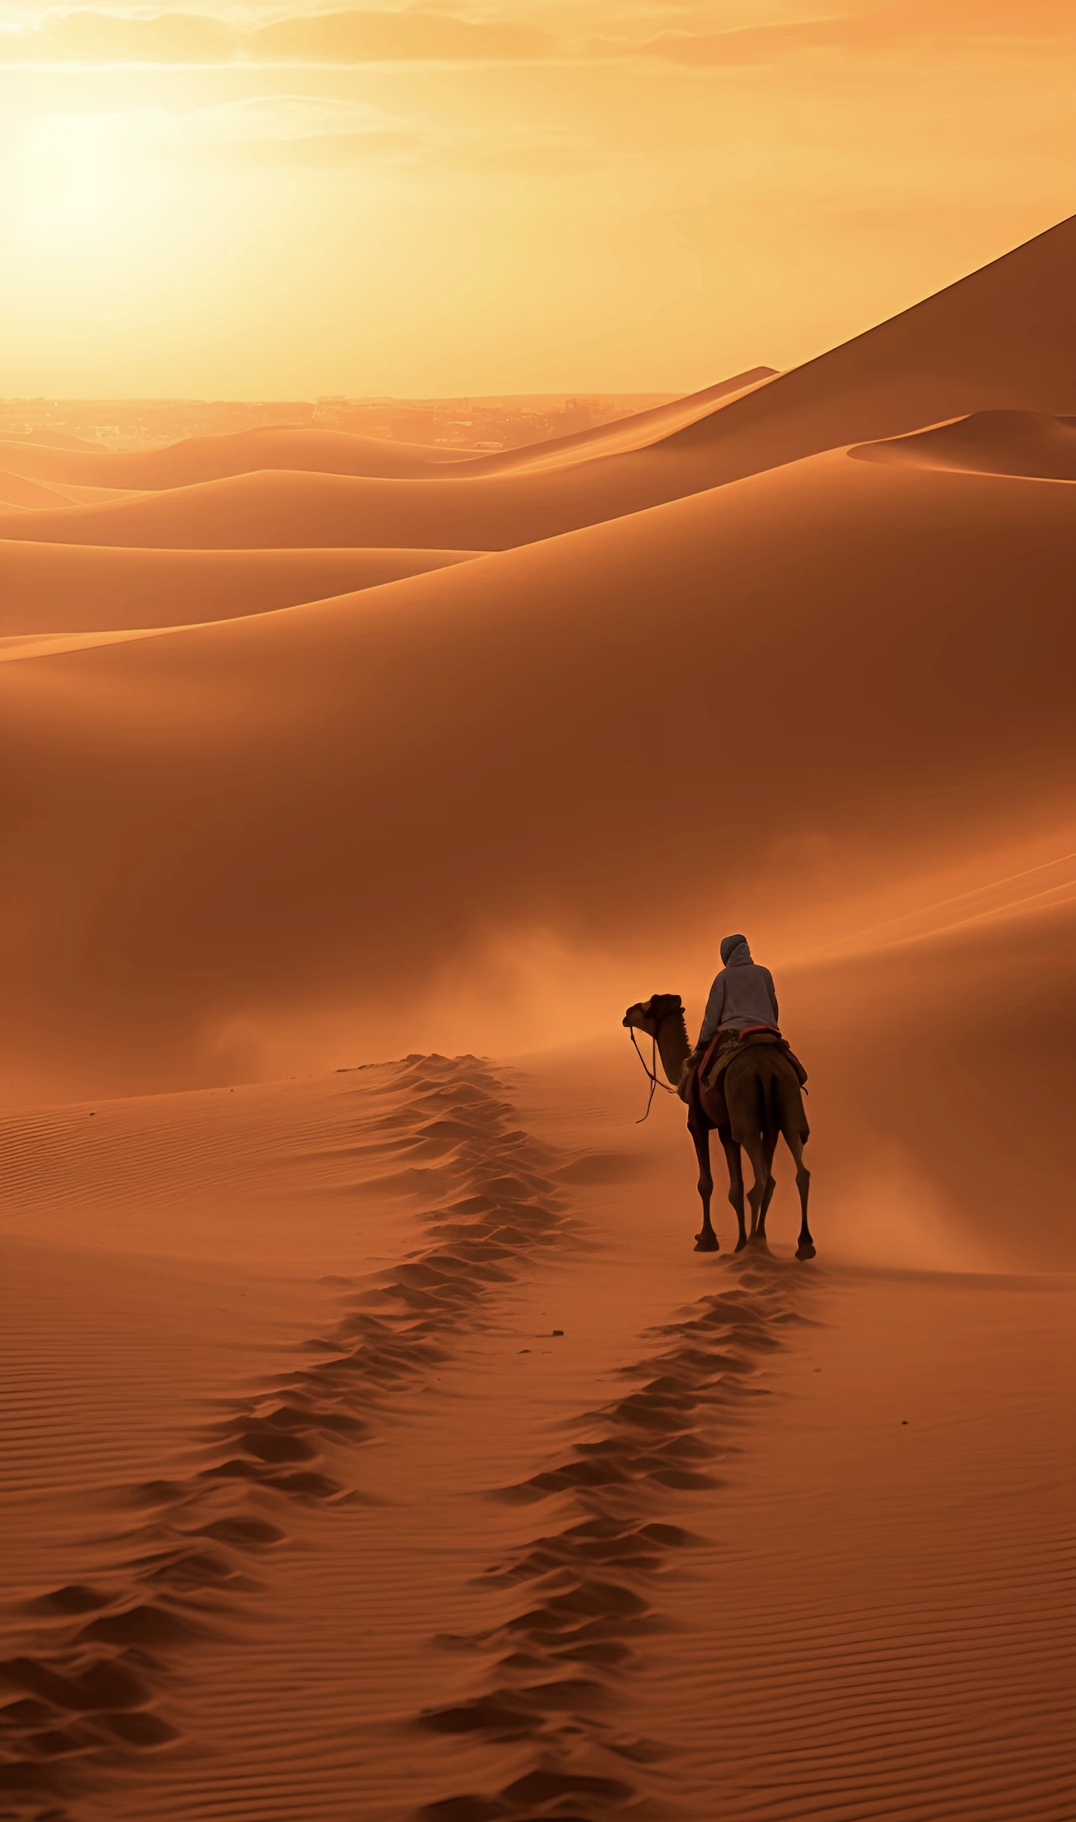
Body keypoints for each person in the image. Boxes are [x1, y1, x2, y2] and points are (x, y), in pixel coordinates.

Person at [697, 933, 779, 1047]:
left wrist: (703, 1041)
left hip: (732, 1032)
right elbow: (774, 1008)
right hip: (768, 1029)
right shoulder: (764, 973)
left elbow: (712, 1015)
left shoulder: (723, 977)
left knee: (700, 1063)